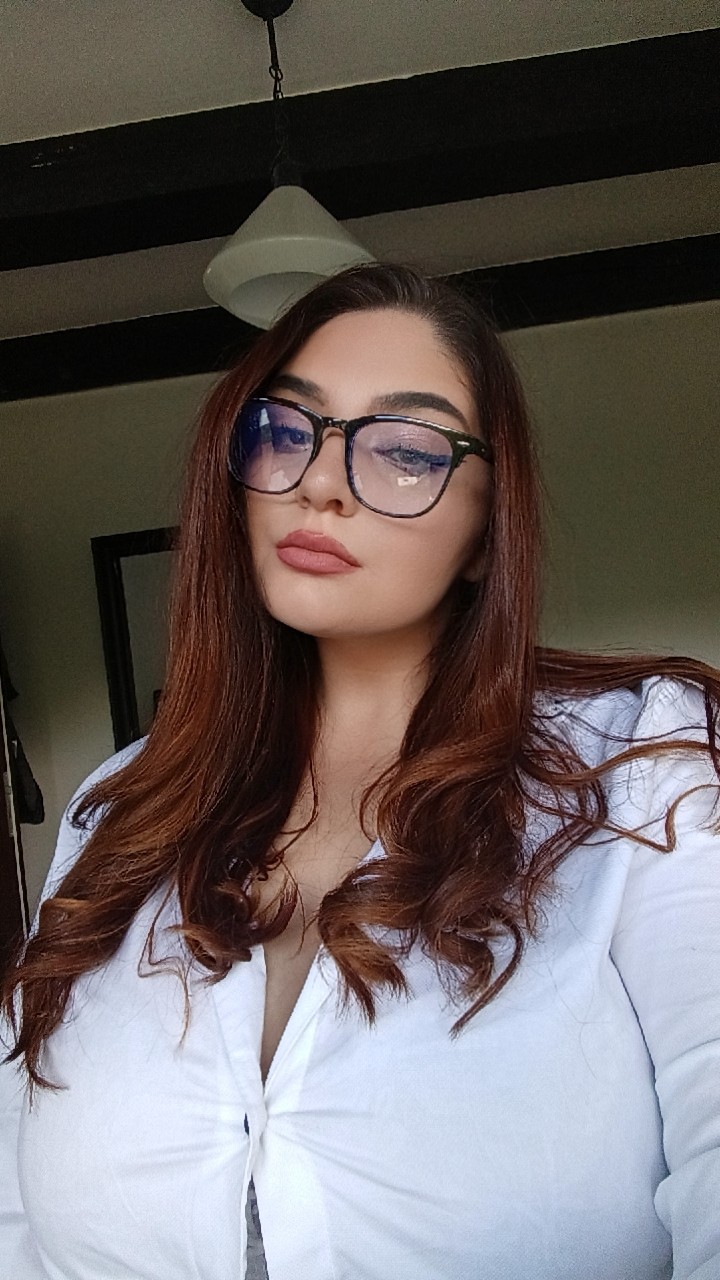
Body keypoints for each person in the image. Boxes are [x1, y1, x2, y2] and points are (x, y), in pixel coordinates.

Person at [1, 263, 719, 1280]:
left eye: (407, 450)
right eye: (287, 431)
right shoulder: (120, 807)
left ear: (488, 531)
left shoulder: (637, 767)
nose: (322, 482)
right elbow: (16, 1210)